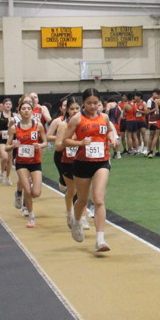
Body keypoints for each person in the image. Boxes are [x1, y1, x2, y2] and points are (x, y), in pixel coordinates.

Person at [59, 88, 117, 253]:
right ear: (83, 103)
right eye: (89, 103)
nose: (93, 106)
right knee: (82, 200)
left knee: (98, 199)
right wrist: (80, 143)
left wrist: (111, 138)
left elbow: (110, 130)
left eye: (96, 103)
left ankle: (100, 240)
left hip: (102, 161)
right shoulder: (77, 119)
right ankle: (77, 221)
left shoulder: (104, 117)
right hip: (82, 162)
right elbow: (64, 141)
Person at [7, 98, 47, 228]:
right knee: (28, 191)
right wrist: (13, 145)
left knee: (36, 193)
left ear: (32, 111)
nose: (26, 111)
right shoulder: (14, 128)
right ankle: (31, 216)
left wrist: (40, 145)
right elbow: (7, 147)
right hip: (21, 162)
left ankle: (25, 197)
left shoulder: (38, 125)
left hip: (35, 162)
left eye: (28, 109)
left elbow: (45, 142)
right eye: (23, 109)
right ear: (19, 111)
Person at [55, 98, 82, 229]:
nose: (75, 111)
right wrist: (72, 141)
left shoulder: (84, 124)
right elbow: (58, 146)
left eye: (77, 108)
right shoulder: (63, 125)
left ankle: (81, 218)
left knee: (82, 192)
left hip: (83, 161)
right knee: (72, 191)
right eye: (72, 109)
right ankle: (69, 212)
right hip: (68, 162)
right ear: (67, 110)